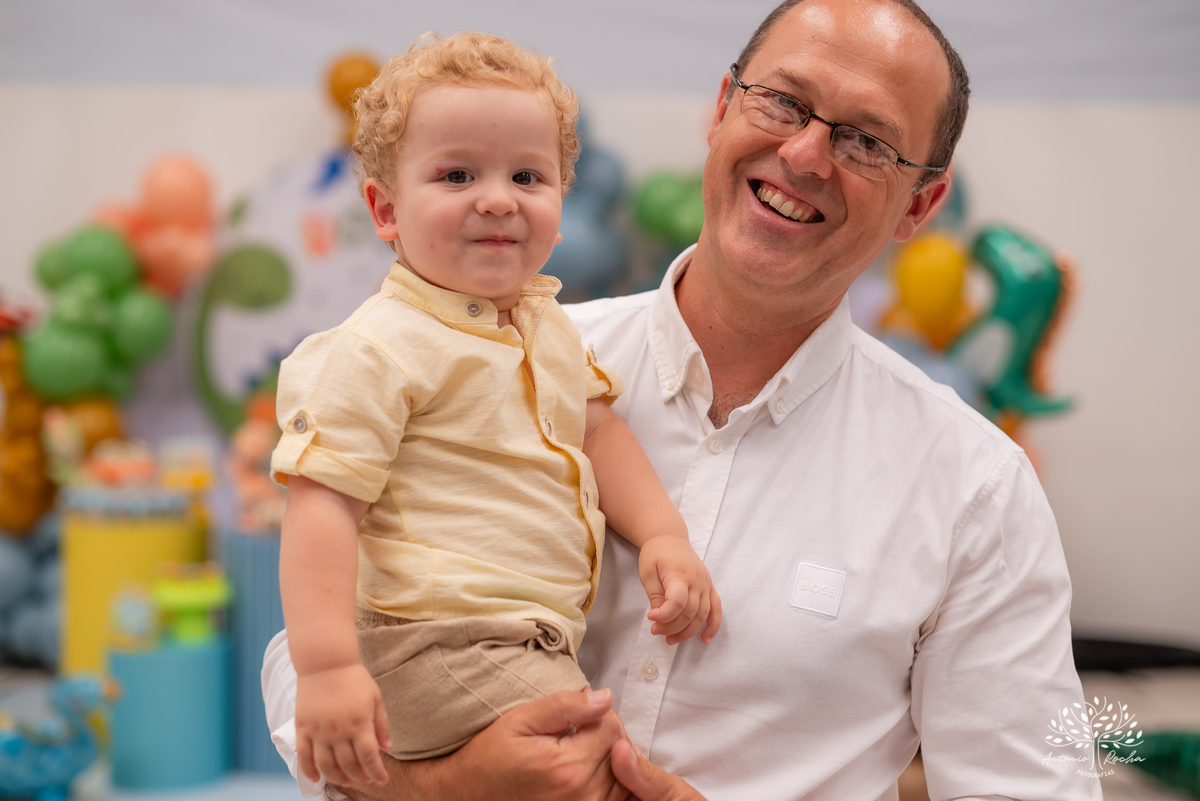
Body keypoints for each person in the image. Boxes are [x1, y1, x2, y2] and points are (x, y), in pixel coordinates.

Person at [263, 2, 1102, 799]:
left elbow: (1034, 780)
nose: (807, 154)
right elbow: (299, 660)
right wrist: (437, 787)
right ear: (722, 110)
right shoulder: (504, 358)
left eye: (867, 141)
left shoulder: (978, 490)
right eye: (783, 102)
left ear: (920, 202)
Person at [269, 31, 720, 793]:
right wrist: (329, 667)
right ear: (385, 207)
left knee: (577, 756)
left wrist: (663, 537)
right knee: (579, 761)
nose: (498, 197)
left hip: (515, 640)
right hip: (432, 641)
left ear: (560, 203)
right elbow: (322, 505)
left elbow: (601, 431)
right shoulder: (380, 345)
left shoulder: (549, 328)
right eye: (456, 174)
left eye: (527, 175)